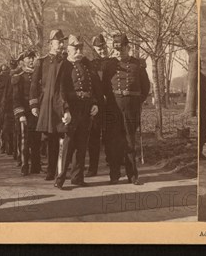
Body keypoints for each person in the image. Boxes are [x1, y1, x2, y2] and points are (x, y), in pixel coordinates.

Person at [54, 35, 102, 189]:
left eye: (81, 48)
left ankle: (77, 177)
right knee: (67, 145)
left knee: (82, 145)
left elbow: (91, 88)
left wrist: (94, 103)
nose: (79, 51)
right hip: (72, 109)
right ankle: (60, 178)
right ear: (68, 50)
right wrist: (65, 110)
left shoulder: (86, 66)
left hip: (86, 109)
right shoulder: (64, 66)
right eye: (76, 48)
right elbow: (60, 91)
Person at [104, 33, 150, 185]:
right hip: (113, 107)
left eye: (122, 49)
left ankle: (133, 175)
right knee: (114, 141)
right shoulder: (109, 64)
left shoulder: (138, 64)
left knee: (130, 141)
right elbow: (104, 87)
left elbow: (145, 87)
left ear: (128, 47)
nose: (119, 53)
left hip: (131, 107)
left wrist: (136, 102)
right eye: (116, 50)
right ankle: (114, 175)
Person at [30, 29, 67, 181]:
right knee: (51, 138)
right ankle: (51, 171)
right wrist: (34, 105)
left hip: (63, 102)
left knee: (64, 138)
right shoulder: (42, 61)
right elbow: (34, 84)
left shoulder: (66, 61)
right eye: (59, 42)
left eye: (63, 42)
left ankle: (62, 170)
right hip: (48, 102)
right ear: (51, 44)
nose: (61, 44)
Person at [12, 49, 42, 176]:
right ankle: (25, 165)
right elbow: (15, 98)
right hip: (24, 112)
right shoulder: (18, 77)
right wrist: (20, 114)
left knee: (37, 139)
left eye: (32, 57)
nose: (31, 60)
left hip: (36, 111)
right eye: (28, 58)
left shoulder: (38, 75)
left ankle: (36, 166)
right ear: (22, 61)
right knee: (25, 139)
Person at [87, 34, 110, 177]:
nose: (102, 50)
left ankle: (113, 163)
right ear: (94, 48)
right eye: (98, 48)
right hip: (96, 105)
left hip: (111, 105)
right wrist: (95, 100)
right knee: (94, 138)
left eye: (103, 47)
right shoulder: (89, 65)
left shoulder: (112, 62)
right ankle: (92, 168)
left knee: (111, 136)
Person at [199, 70, 206, 160]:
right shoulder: (200, 78)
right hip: (199, 106)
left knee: (202, 129)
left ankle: (200, 151)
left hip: (203, 106)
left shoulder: (203, 78)